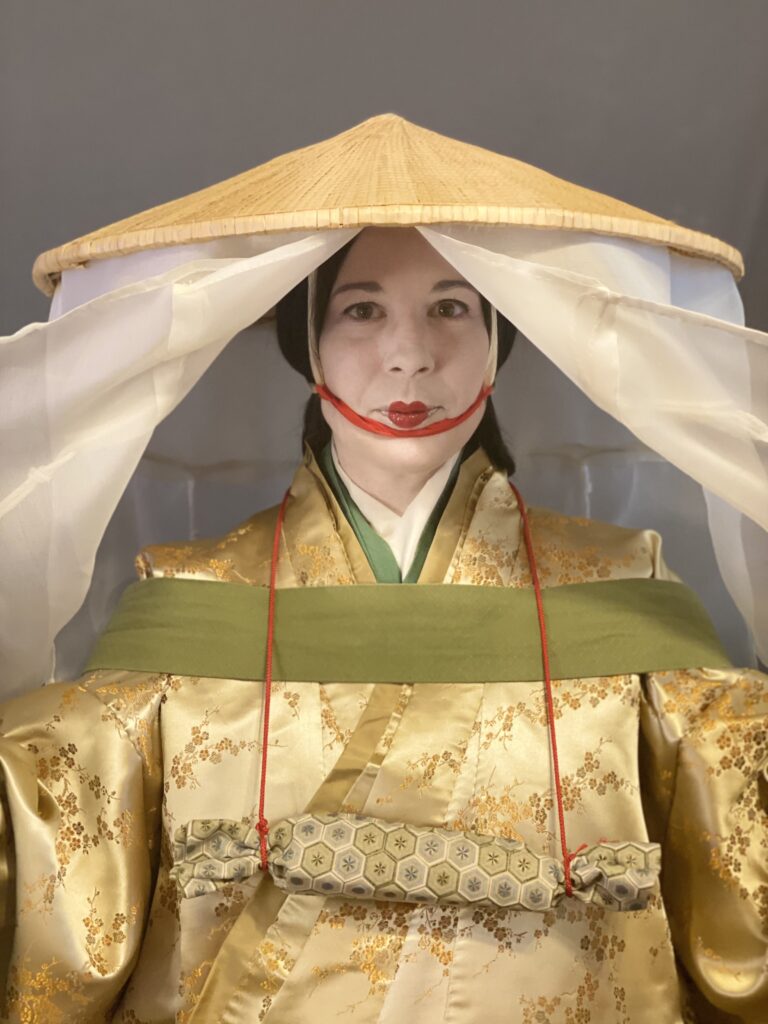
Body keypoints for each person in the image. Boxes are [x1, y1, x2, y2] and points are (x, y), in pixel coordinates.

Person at [1, 225, 765, 1024]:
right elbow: (55, 811)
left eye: (451, 307)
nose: (409, 355)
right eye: (362, 311)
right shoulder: (191, 593)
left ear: (499, 340)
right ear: (311, 345)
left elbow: (736, 798)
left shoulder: (619, 582)